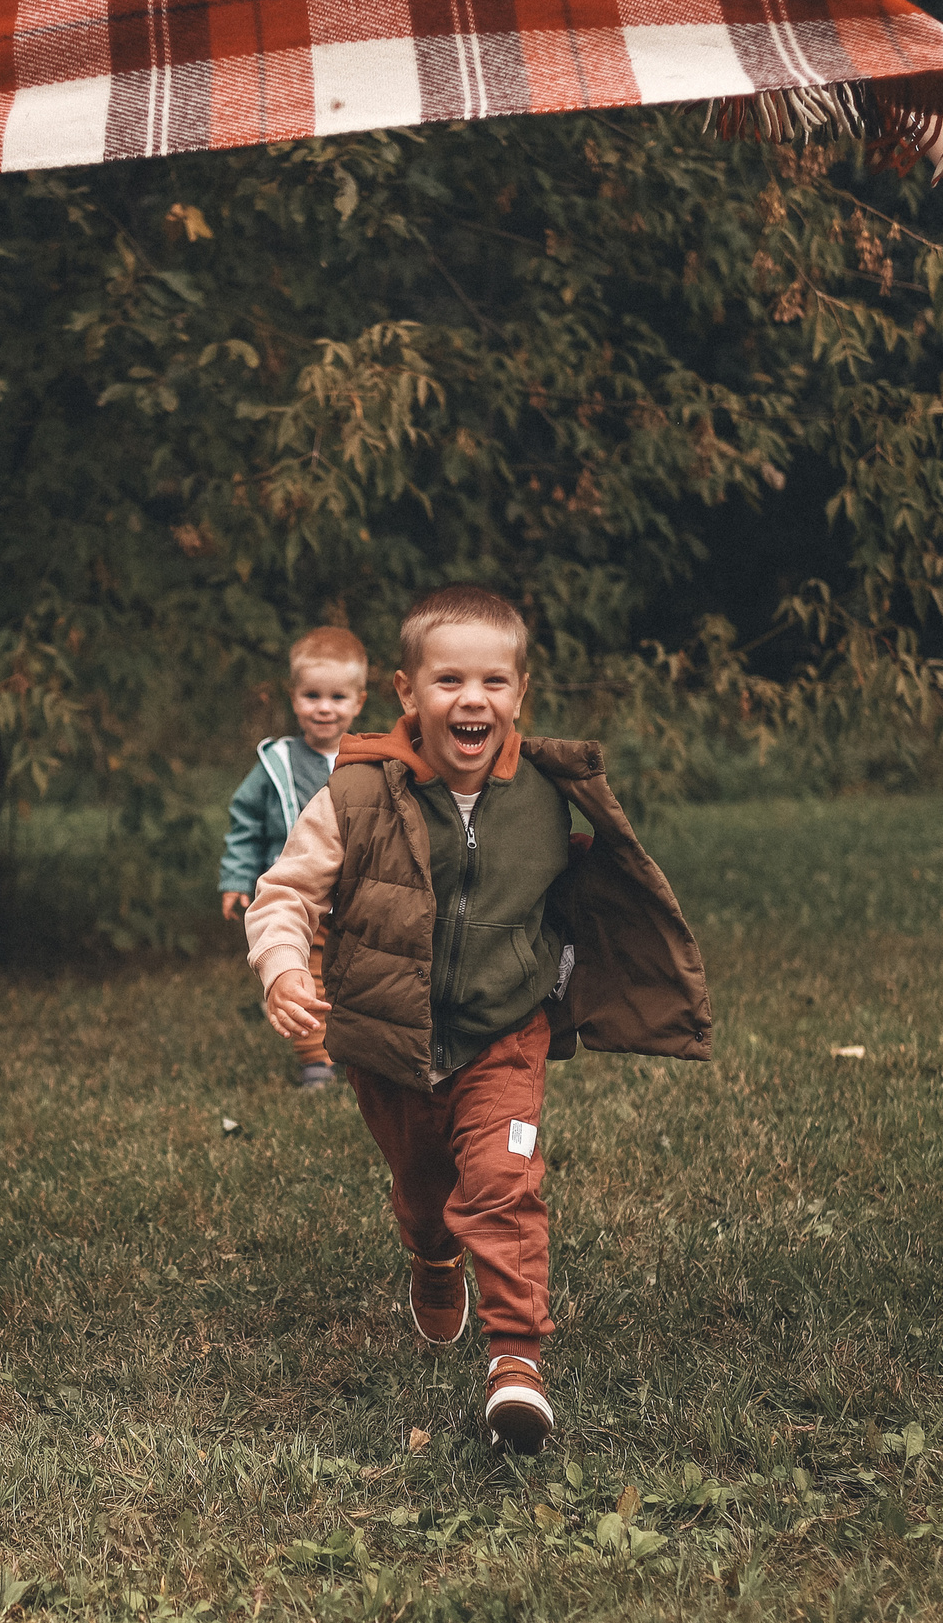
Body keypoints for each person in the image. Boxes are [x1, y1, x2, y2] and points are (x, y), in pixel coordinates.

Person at [243, 586, 712, 1452]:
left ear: (520, 694)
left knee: (504, 1182)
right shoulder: (355, 793)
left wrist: (579, 974)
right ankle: (432, 1257)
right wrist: (282, 967)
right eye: (449, 680)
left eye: (494, 682)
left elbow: (582, 894)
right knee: (425, 1194)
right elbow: (285, 895)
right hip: (391, 1042)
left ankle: (516, 1363)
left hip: (504, 1032)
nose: (473, 699)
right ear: (407, 692)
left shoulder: (546, 795)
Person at [218, 628, 370, 1089]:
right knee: (305, 976)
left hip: (355, 897)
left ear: (359, 702)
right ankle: (315, 1060)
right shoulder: (277, 762)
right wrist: (237, 878)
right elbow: (246, 823)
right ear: (294, 697)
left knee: (362, 977)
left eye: (337, 697)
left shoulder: (369, 758)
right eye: (312, 696)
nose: (324, 708)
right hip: (299, 900)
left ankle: (363, 1053)